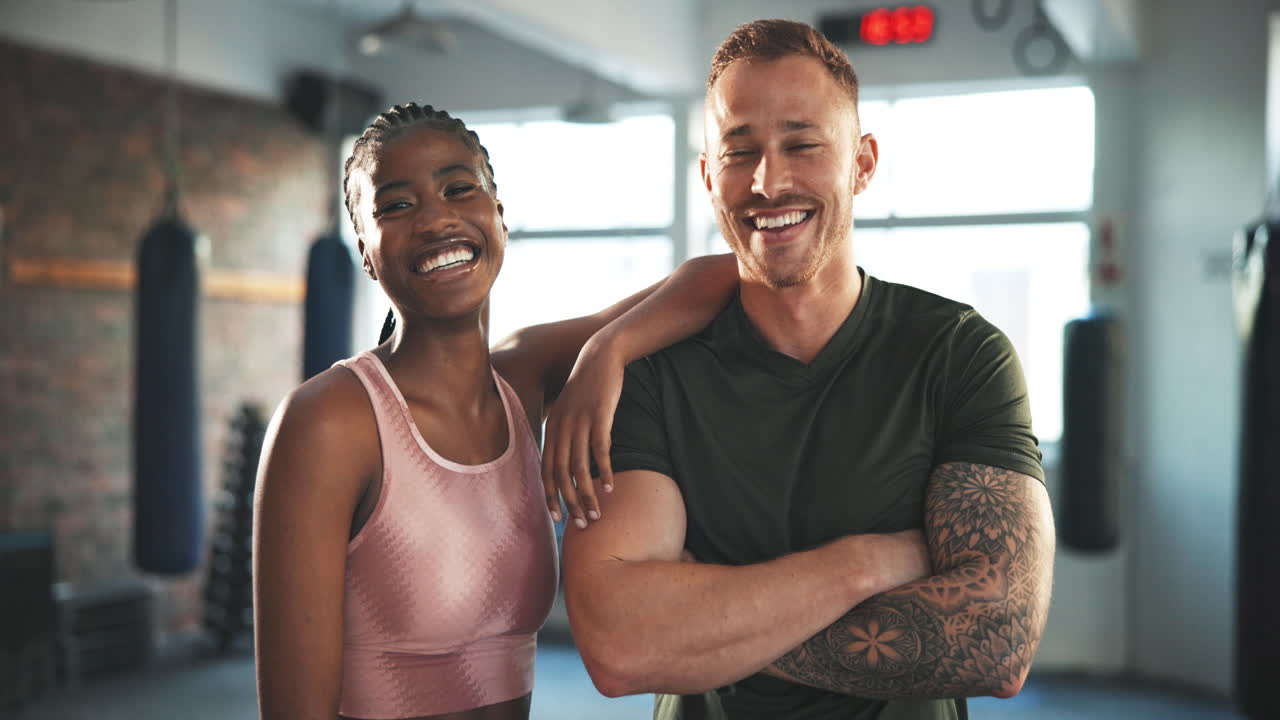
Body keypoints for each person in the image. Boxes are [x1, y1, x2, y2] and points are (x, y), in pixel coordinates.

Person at [560, 19, 1056, 720]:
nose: (769, 181)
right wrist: (864, 565)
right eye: (740, 152)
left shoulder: (960, 356)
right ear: (708, 176)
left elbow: (995, 641)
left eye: (801, 144)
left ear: (862, 162)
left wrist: (700, 624)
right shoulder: (651, 378)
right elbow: (618, 645)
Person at [252, 102, 737, 720]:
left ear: (499, 218)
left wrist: (605, 353)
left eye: (459, 189)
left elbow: (723, 277)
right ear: (366, 254)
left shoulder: (524, 376)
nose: (434, 219)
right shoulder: (329, 421)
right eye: (396, 205)